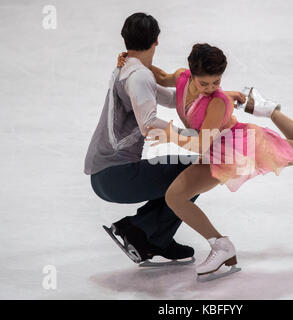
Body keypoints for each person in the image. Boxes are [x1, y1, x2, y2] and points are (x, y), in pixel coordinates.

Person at [120, 43, 293, 279]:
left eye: (216, 82)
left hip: (241, 147)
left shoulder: (217, 102)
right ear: (191, 74)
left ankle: (270, 111)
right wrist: (132, 61)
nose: (210, 88)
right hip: (213, 151)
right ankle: (221, 246)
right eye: (204, 83)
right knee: (175, 197)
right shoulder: (181, 78)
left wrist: (170, 134)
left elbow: (200, 144)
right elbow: (162, 76)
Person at [84, 13, 245, 267]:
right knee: (196, 170)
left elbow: (175, 98)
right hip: (115, 175)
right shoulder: (140, 76)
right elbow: (149, 125)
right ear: (156, 41)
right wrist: (195, 139)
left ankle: (153, 236)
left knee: (187, 171)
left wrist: (221, 95)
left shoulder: (127, 69)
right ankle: (140, 232)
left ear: (125, 40)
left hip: (105, 173)